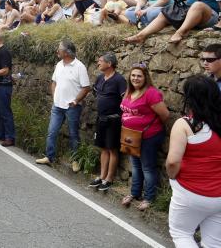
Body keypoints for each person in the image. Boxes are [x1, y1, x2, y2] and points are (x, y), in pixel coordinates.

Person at [166, 75, 221, 247]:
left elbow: (173, 162)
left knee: (181, 234)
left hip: (191, 191)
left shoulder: (186, 125)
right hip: (219, 194)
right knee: (214, 243)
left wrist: (172, 177)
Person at [35, 40, 90, 171]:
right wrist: (55, 97)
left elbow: (86, 87)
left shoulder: (79, 66)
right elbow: (54, 82)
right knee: (52, 132)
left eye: (59, 49)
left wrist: (76, 100)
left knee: (73, 134)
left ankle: (75, 160)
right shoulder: (59, 64)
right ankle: (49, 157)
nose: (57, 51)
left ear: (66, 52)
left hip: (72, 107)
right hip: (57, 105)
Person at [120, 63, 169, 211]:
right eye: (133, 75)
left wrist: (148, 127)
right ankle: (134, 193)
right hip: (131, 136)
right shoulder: (129, 91)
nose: (135, 78)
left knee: (147, 168)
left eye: (139, 76)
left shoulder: (151, 93)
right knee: (135, 166)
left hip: (148, 137)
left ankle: (149, 198)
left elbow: (165, 115)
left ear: (145, 77)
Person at [89, 53, 126, 192]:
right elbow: (95, 92)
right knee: (103, 148)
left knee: (112, 149)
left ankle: (109, 178)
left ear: (109, 64)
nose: (98, 63)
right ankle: (101, 176)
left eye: (100, 61)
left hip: (114, 120)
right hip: (101, 118)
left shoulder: (119, 80)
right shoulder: (99, 78)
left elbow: (125, 99)